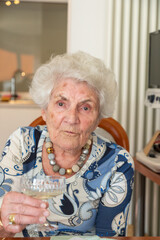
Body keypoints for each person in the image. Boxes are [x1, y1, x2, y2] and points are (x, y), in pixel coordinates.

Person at [0, 51, 134, 237]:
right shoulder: (22, 144)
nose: (72, 118)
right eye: (61, 104)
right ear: (45, 111)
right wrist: (4, 221)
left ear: (97, 120)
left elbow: (108, 238)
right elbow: (5, 227)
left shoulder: (117, 163)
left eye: (85, 107)